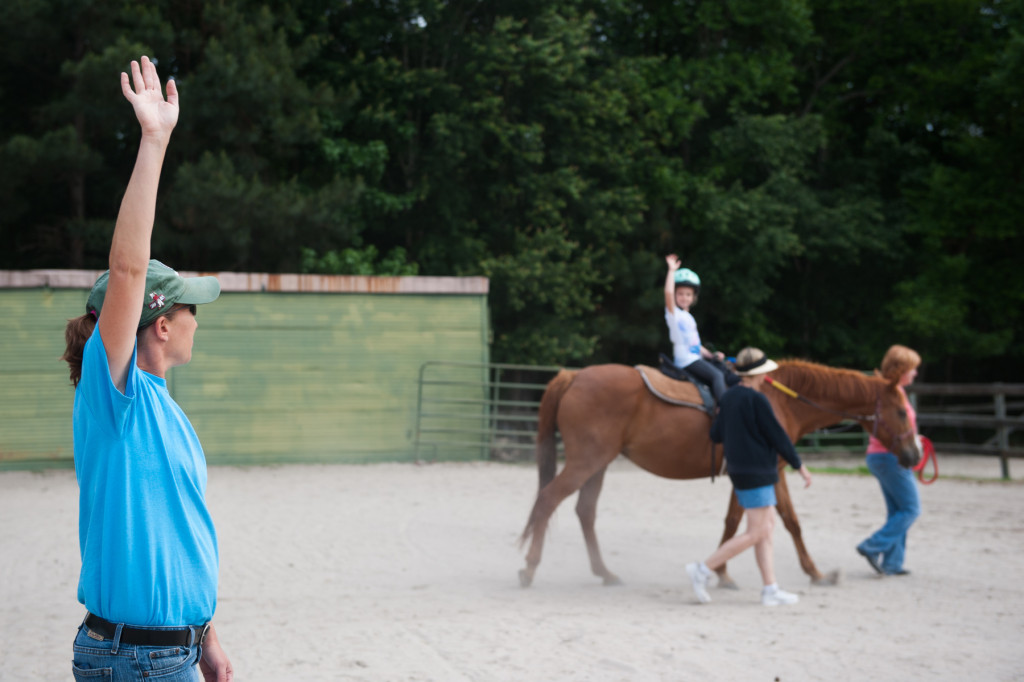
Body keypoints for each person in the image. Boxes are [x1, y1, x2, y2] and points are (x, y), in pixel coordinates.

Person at [61, 56, 233, 681]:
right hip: (138, 658)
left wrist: (205, 633)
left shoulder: (160, 406)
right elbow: (129, 271)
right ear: (160, 323)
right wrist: (154, 141)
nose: (197, 320)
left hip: (169, 649)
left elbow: (173, 530)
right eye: (191, 309)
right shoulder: (117, 394)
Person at [684, 347, 812, 606]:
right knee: (756, 532)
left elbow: (716, 435)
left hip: (741, 472)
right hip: (758, 471)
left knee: (766, 529)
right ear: (758, 374)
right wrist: (799, 465)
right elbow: (777, 435)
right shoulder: (757, 399)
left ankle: (770, 589)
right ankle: (703, 569)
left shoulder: (729, 398)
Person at [856, 344, 922, 577]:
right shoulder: (891, 393)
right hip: (890, 456)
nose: (915, 373)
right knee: (911, 509)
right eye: (912, 369)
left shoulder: (894, 392)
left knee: (898, 510)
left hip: (882, 456)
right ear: (901, 370)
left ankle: (892, 563)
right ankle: (872, 546)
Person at [663, 254, 729, 400]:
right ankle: (726, 410)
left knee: (723, 370)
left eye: (688, 294)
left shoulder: (689, 318)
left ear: (693, 298)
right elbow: (667, 293)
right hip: (685, 361)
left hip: (694, 358)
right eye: (680, 293)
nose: (684, 297)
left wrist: (712, 355)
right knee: (717, 375)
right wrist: (671, 271)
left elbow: (696, 345)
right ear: (674, 295)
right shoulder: (674, 314)